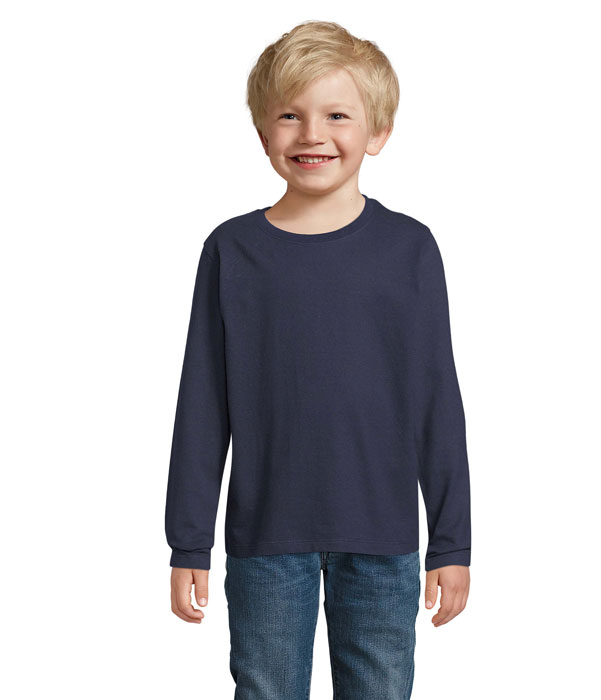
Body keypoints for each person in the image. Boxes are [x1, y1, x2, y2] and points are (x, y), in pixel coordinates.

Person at [164, 19, 472, 699]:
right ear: (262, 132)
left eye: (337, 115)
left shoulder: (410, 250)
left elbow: (435, 400)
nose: (312, 134)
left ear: (378, 131)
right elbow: (202, 404)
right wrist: (188, 540)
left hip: (384, 538)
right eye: (289, 115)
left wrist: (451, 541)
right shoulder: (231, 252)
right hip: (266, 539)